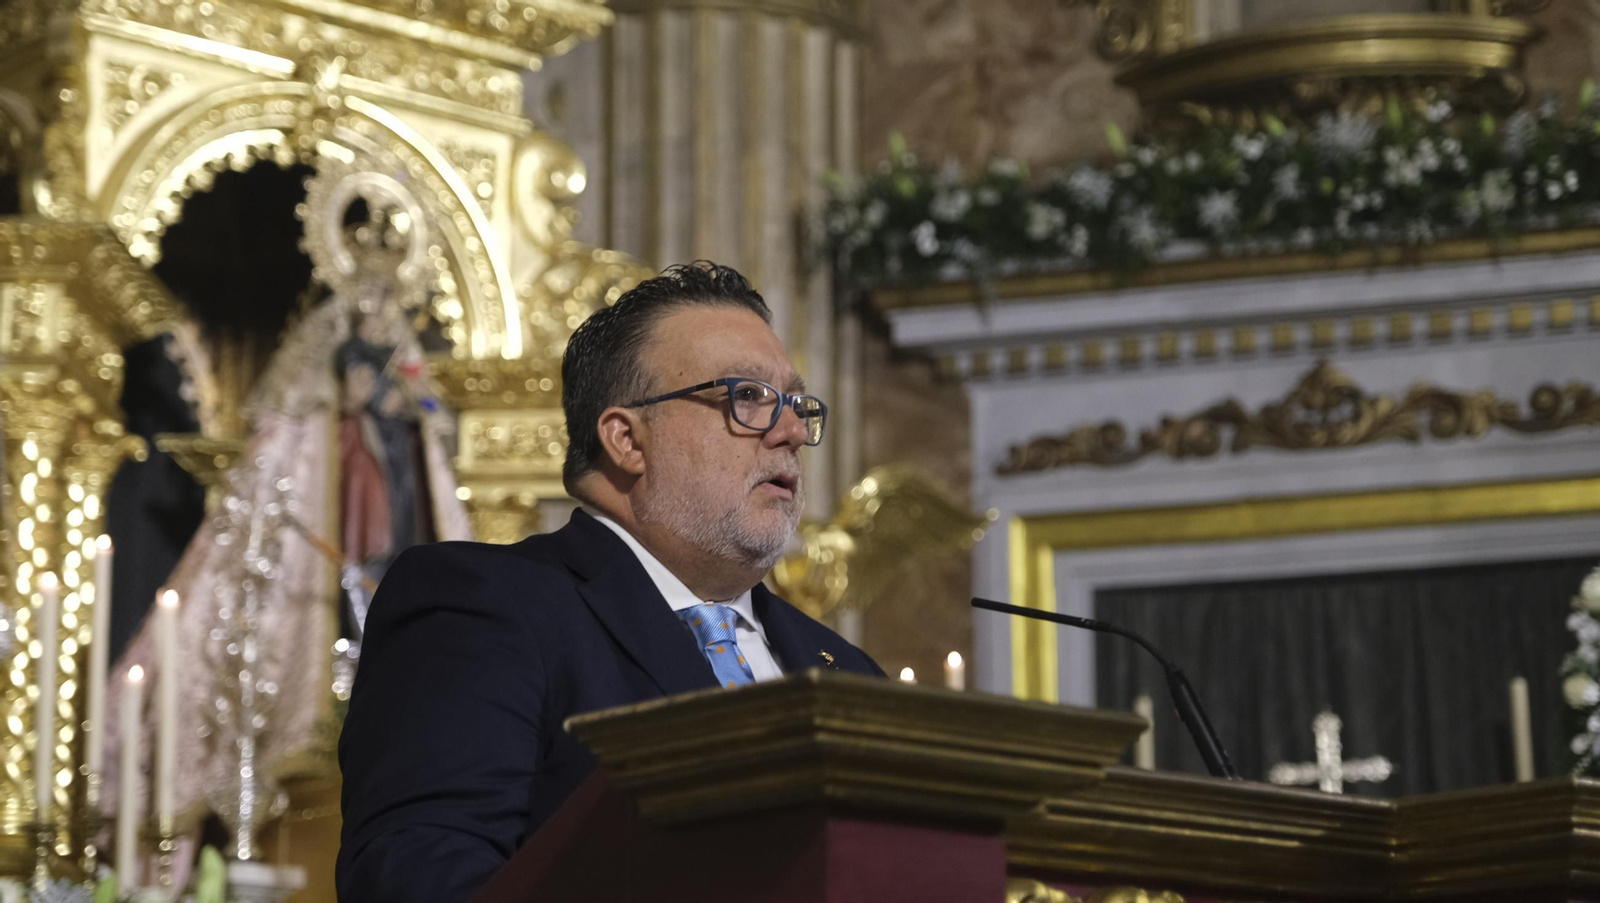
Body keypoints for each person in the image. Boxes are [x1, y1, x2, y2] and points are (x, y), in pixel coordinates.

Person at [336, 261, 884, 902]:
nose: (791, 431)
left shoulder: (848, 674)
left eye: (795, 403)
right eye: (749, 397)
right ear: (626, 438)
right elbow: (422, 881)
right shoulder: (483, 608)